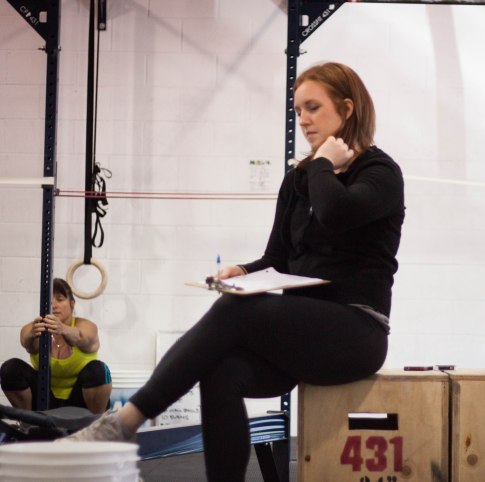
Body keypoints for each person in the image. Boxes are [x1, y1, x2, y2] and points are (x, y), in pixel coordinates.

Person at [64, 62, 405, 481]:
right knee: (221, 370)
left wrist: (321, 164)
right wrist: (242, 271)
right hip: (301, 336)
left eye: (313, 108)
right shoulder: (298, 182)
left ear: (347, 109)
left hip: (356, 333)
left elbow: (336, 211)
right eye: (298, 110)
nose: (303, 120)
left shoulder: (380, 173)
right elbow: (278, 258)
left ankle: (124, 422)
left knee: (238, 310)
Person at [0, 278, 112, 414]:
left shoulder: (86, 326)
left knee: (99, 370)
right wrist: (32, 334)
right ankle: (27, 421)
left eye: (59, 299)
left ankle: (96, 423)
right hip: (45, 400)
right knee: (10, 368)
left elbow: (81, 336)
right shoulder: (37, 328)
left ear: (72, 304)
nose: (53, 305)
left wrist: (63, 329)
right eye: (49, 301)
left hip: (79, 402)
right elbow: (25, 339)